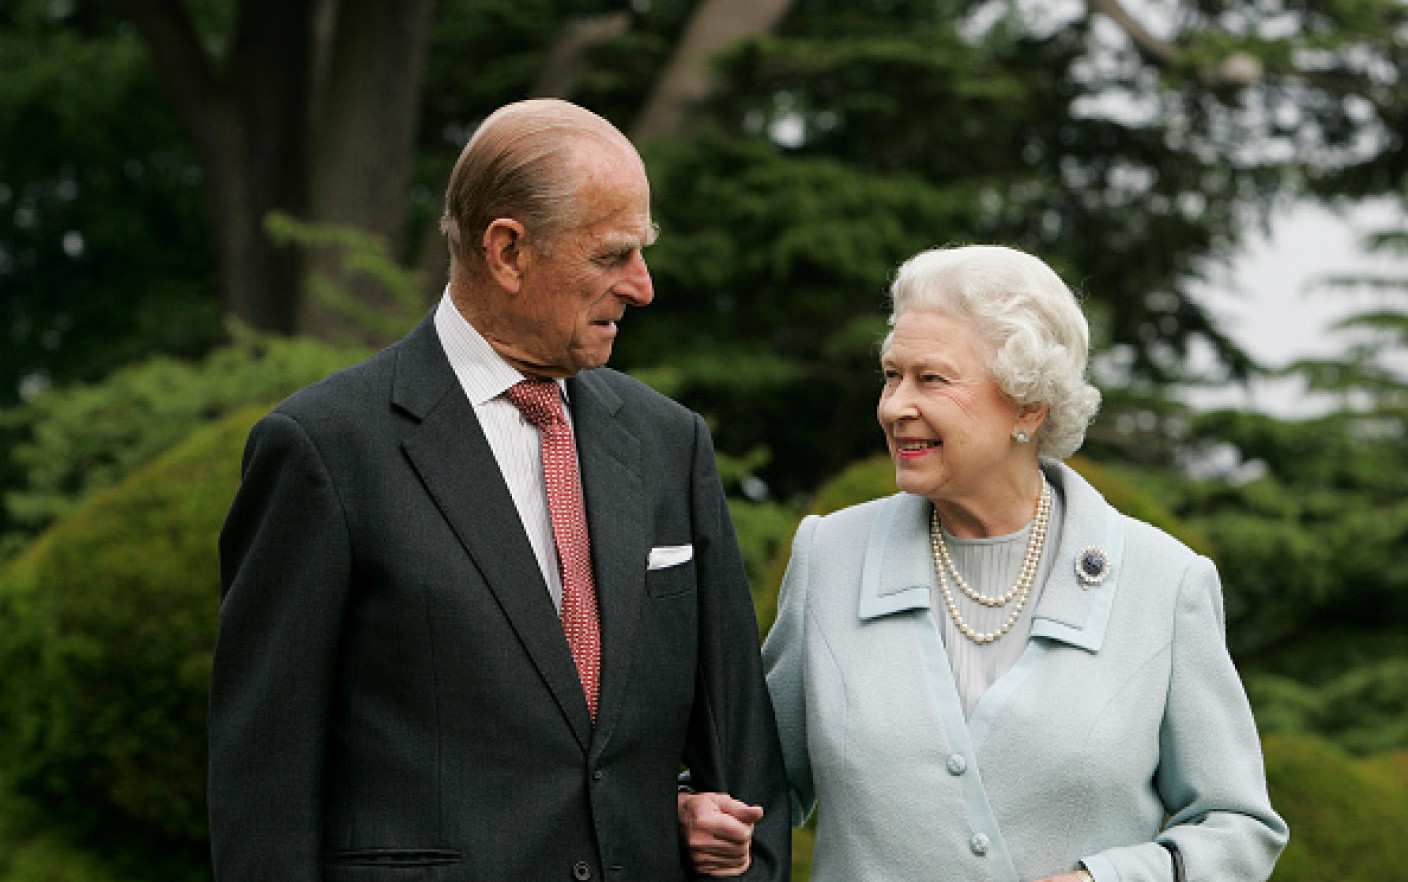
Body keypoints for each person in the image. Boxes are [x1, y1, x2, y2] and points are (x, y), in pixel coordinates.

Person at [211, 98, 789, 881]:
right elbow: (263, 788)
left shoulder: (670, 444)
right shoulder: (323, 449)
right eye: (613, 255)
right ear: (508, 251)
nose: (643, 287)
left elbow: (741, 750)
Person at [684, 244, 1288, 881]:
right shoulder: (828, 557)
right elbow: (752, 782)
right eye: (892, 375)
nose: (894, 406)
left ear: (1028, 405)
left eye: (932, 379)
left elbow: (1239, 827)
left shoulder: (1164, 583)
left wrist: (1106, 881)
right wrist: (698, 813)